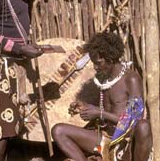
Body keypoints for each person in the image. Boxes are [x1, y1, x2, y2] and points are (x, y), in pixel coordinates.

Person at [52, 32, 153, 161]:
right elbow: (107, 108)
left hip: (125, 140)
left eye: (98, 63)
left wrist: (100, 114)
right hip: (104, 137)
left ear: (110, 59)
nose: (95, 67)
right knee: (58, 130)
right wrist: (85, 107)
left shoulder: (131, 79)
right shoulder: (103, 79)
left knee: (144, 126)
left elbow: (134, 120)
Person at [0, 0, 43, 160]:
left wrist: (27, 47)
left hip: (14, 64)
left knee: (13, 123)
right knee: (4, 127)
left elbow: (13, 30)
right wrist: (20, 49)